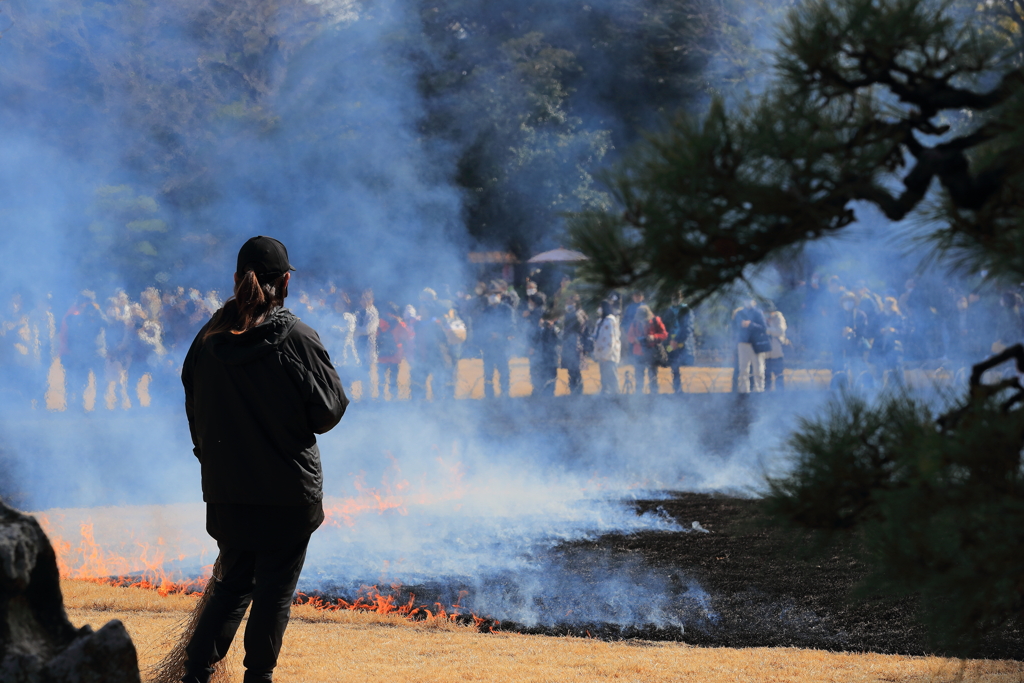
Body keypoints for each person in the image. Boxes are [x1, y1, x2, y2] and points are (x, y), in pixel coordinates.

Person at [180, 236, 347, 683]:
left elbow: (193, 406)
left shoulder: (208, 337)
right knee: (273, 594)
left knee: (231, 586)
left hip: (228, 492)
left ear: (237, 280)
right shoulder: (296, 337)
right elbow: (329, 411)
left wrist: (211, 460)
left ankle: (195, 673)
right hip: (289, 494)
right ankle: (258, 677)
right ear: (285, 282)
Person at [476, 285, 517, 397]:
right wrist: (488, 335)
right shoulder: (486, 310)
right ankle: (489, 395)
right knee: (488, 371)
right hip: (489, 345)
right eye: (491, 294)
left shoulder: (507, 309)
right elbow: (480, 326)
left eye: (496, 294)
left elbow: (512, 327)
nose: (493, 296)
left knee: (503, 370)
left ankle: (505, 394)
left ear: (501, 295)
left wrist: (499, 335)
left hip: (502, 345)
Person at [626, 305, 668, 393]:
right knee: (639, 376)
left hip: (652, 353)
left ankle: (654, 395)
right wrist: (635, 339)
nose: (642, 321)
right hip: (638, 353)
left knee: (653, 376)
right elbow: (629, 336)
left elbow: (664, 334)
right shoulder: (634, 323)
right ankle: (639, 396)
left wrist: (654, 337)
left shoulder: (656, 321)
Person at [663, 291, 695, 393]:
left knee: (682, 363)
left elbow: (688, 328)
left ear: (681, 298)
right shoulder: (669, 311)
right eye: (673, 298)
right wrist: (669, 341)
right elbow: (665, 327)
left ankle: (682, 388)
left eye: (677, 298)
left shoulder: (686, 310)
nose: (675, 300)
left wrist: (678, 340)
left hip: (682, 343)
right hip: (670, 343)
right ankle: (677, 388)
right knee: (673, 364)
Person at [735, 298, 768, 393]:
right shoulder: (739, 313)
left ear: (754, 301)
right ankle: (743, 391)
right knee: (743, 370)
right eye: (746, 299)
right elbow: (736, 327)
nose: (747, 302)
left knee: (758, 370)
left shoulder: (758, 313)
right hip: (743, 343)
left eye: (749, 300)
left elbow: (763, 328)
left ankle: (759, 390)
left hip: (756, 344)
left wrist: (751, 324)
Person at [561, 294, 589, 394]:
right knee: (571, 371)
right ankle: (574, 391)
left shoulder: (578, 314)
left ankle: (577, 392)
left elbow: (579, 330)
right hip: (571, 344)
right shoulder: (572, 313)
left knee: (575, 370)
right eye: (567, 302)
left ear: (576, 303)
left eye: (570, 303)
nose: (568, 305)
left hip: (575, 345)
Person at [592, 300, 621, 394]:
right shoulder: (601, 321)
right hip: (602, 355)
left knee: (612, 378)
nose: (598, 309)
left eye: (600, 307)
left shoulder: (610, 321)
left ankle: (618, 399)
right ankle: (605, 400)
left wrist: (605, 355)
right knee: (604, 379)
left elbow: (610, 340)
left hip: (609, 355)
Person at [765, 308, 788, 391]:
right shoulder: (761, 318)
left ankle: (780, 398)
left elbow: (780, 331)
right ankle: (765, 399)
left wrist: (768, 329)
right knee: (766, 379)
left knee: (779, 377)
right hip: (765, 355)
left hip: (777, 353)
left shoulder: (778, 317)